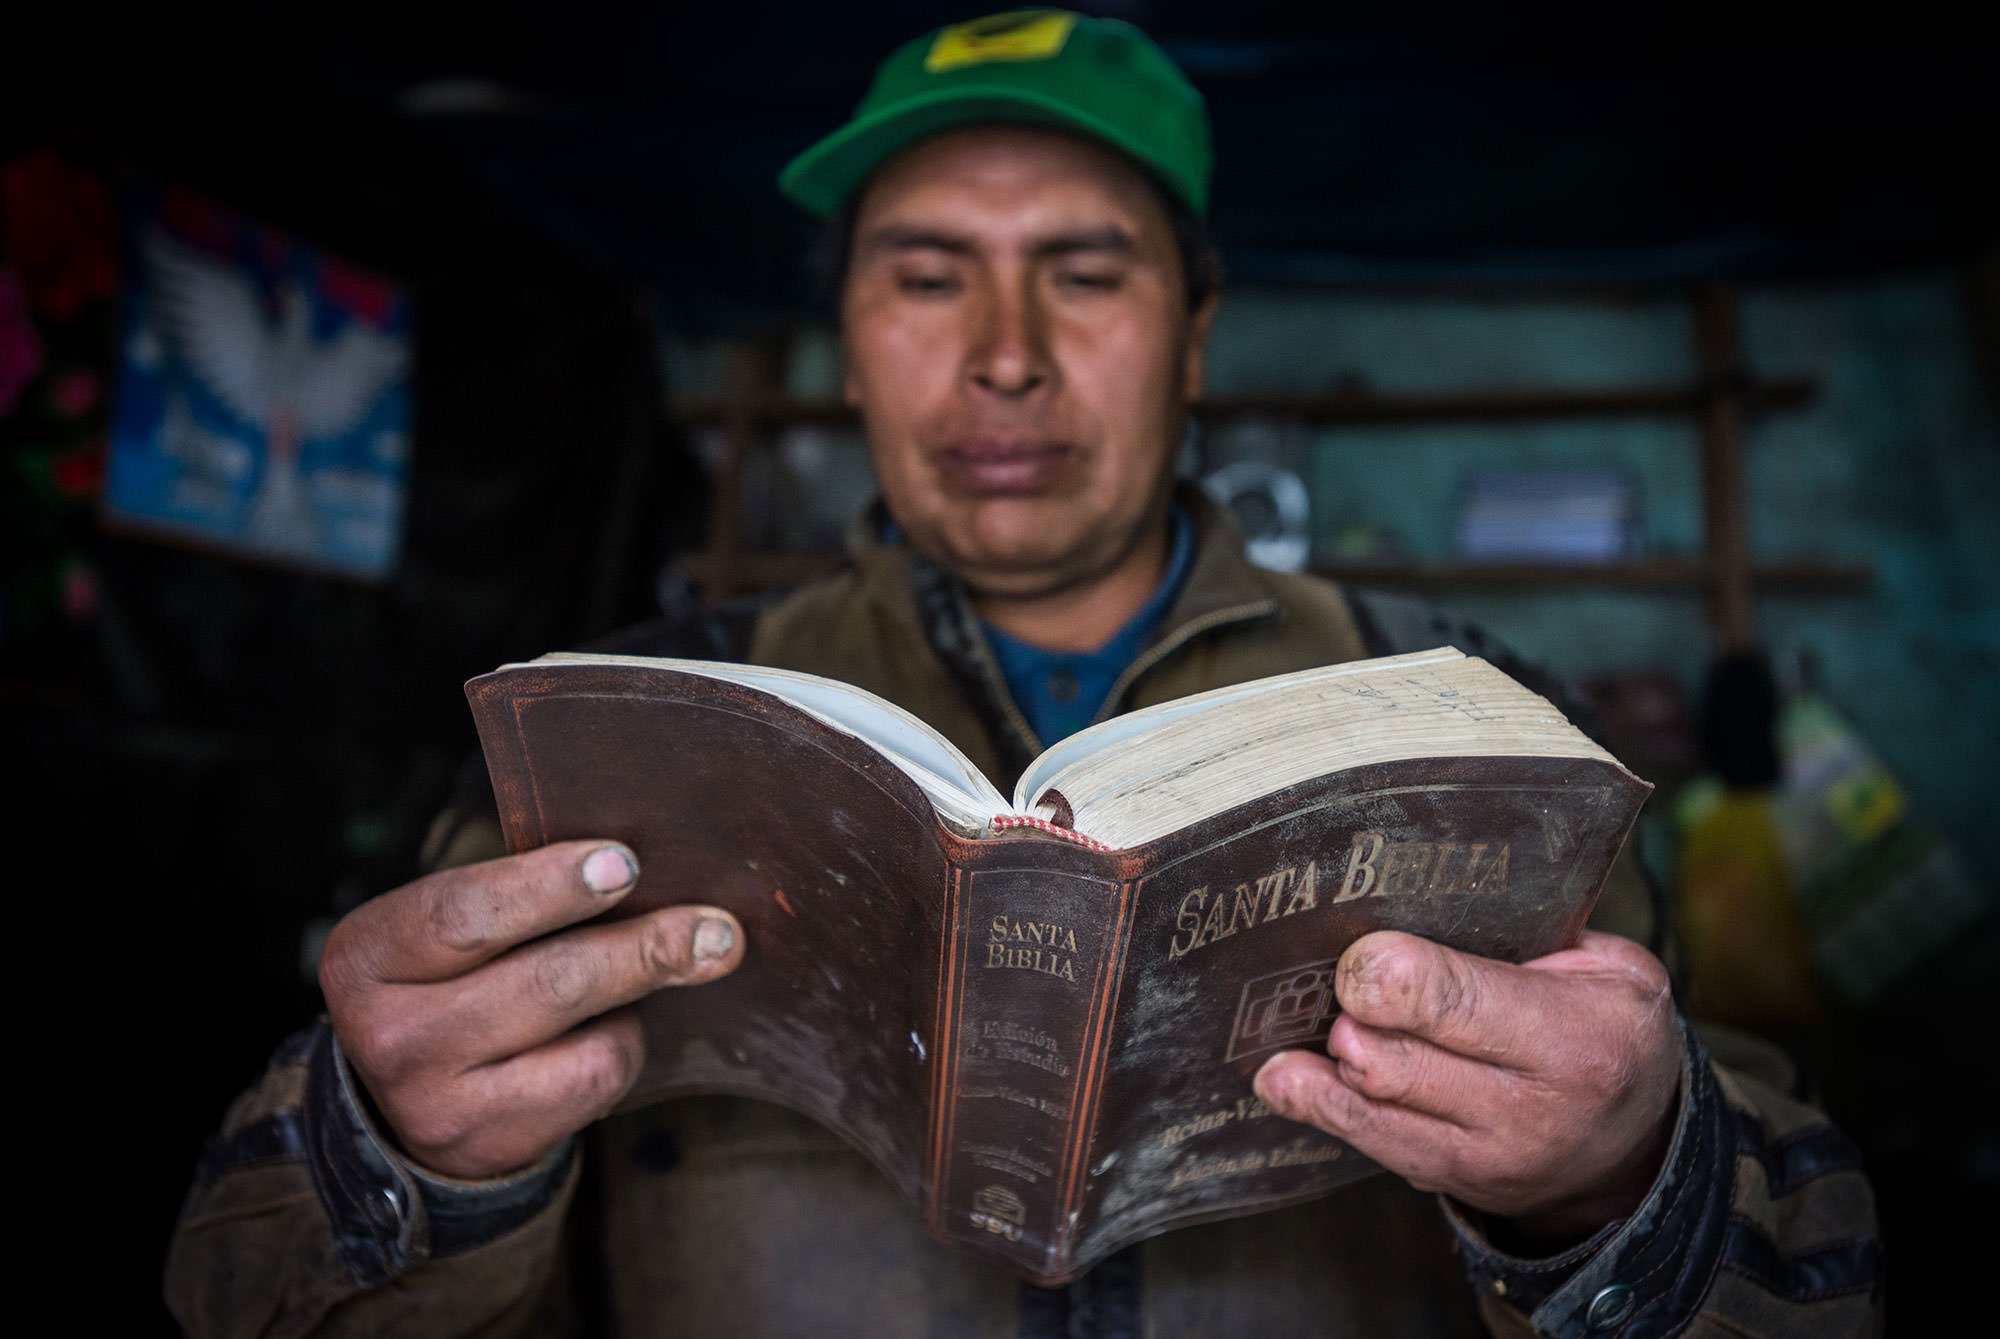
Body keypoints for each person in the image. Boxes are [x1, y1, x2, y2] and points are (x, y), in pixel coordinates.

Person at [165, 11, 1883, 1337]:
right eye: (927, 280)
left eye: (1084, 274)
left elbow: (1816, 1272)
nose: (1005, 360)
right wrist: (394, 1151)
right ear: (850, 336)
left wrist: (1622, 1181)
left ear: (1194, 332)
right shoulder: (642, 739)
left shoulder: (1459, 728)